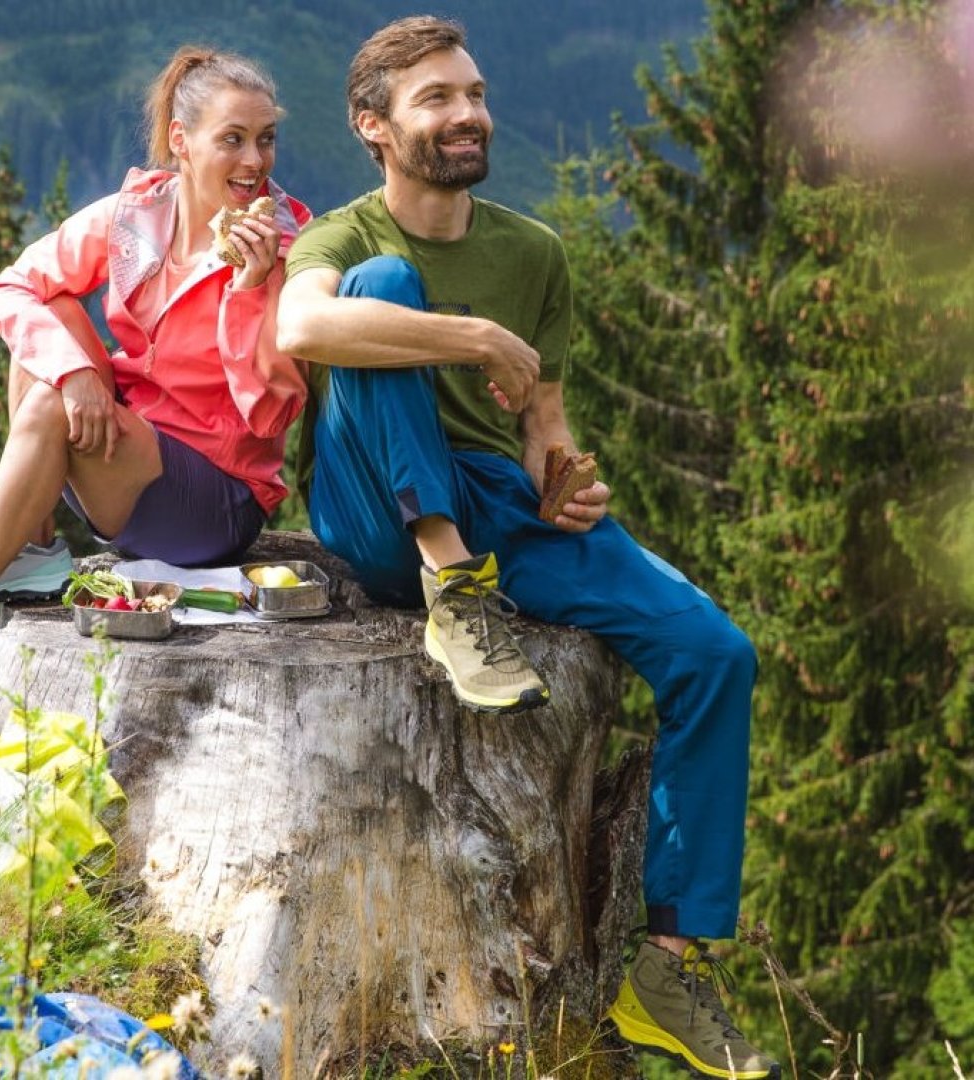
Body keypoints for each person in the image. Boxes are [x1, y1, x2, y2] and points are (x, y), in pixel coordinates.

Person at [274, 16, 777, 1080]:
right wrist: (473, 336)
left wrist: (568, 481)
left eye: (475, 93)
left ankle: (669, 965)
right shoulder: (342, 238)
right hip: (376, 508)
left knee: (714, 652)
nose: (468, 115)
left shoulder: (532, 253)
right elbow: (304, 332)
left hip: (501, 504)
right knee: (383, 296)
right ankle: (451, 587)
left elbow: (543, 419)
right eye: (436, 100)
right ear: (374, 126)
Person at [0, 46, 310, 709]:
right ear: (181, 142)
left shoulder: (288, 244)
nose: (255, 162)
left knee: (46, 405)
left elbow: (270, 417)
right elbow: (10, 287)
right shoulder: (138, 215)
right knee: (49, 320)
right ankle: (35, 549)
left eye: (265, 140)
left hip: (214, 499)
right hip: (131, 453)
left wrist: (249, 291)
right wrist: (75, 372)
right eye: (232, 139)